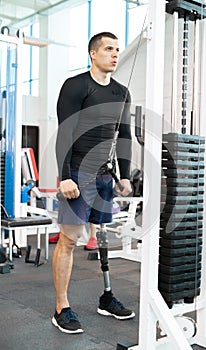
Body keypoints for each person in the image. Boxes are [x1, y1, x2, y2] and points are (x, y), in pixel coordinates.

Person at [52, 32, 135, 334]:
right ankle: (61, 307)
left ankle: (107, 297)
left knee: (101, 237)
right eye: (109, 49)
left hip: (103, 176)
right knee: (70, 239)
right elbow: (65, 132)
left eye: (117, 49)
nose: (115, 54)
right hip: (76, 172)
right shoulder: (76, 86)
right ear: (93, 53)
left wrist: (124, 175)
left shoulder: (122, 92)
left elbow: (124, 135)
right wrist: (65, 177)